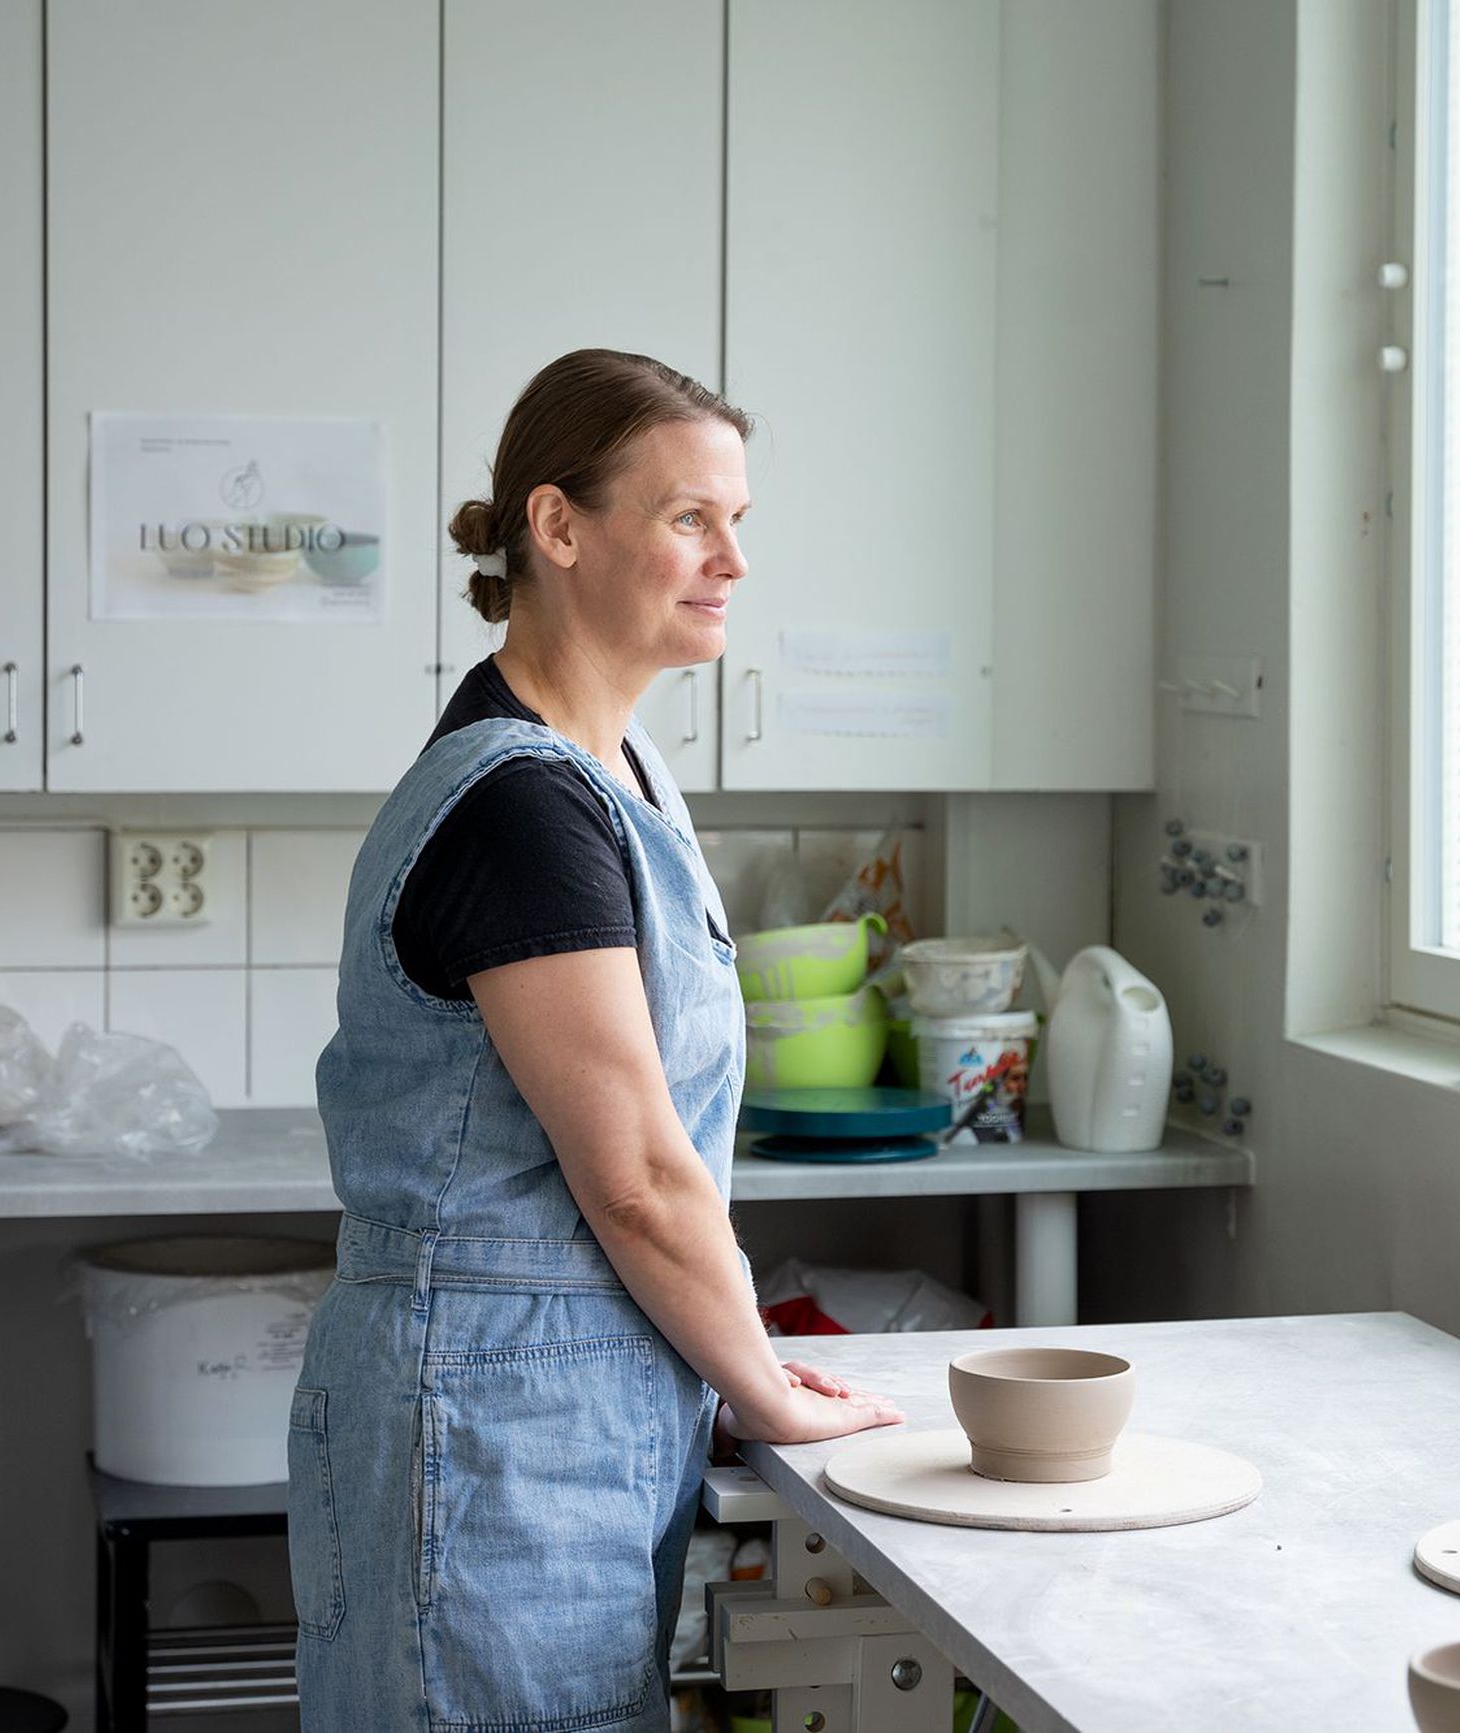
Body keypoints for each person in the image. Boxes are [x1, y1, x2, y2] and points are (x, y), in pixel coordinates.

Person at [288, 349, 902, 1730]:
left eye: (739, 522)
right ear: (559, 528)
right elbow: (633, 1164)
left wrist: (730, 1355)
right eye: (692, 518)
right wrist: (763, 1383)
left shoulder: (614, 770)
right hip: (489, 1423)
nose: (732, 559)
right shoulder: (523, 806)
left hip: (554, 1415)